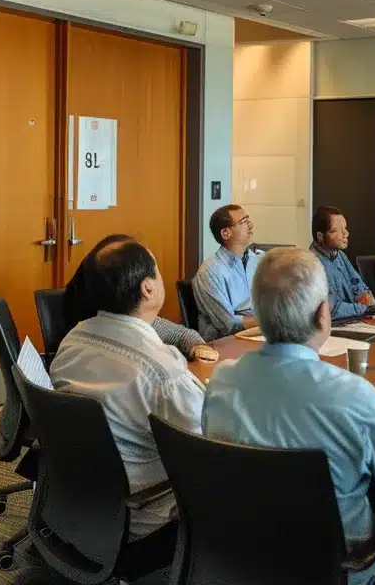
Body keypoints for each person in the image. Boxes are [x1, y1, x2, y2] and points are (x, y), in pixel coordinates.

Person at [203, 248, 375, 585]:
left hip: (242, 560)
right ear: (323, 315)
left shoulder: (221, 382)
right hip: (337, 567)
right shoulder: (350, 394)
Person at [49, 236, 205, 543]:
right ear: (147, 288)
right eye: (158, 271)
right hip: (144, 511)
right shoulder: (162, 371)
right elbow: (206, 451)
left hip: (80, 502)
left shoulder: (72, 341)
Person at [63, 234, 214, 363]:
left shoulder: (73, 341)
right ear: (147, 288)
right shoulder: (157, 365)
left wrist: (198, 347)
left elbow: (181, 335)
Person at [192, 204, 261, 340]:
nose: (250, 225)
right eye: (244, 222)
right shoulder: (210, 272)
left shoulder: (258, 260)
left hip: (258, 334)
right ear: (225, 233)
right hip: (225, 342)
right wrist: (269, 321)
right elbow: (227, 323)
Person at [310, 206, 375, 320]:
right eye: (335, 231)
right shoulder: (314, 263)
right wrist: (365, 309)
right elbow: (332, 310)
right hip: (331, 328)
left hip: (351, 320)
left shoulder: (340, 255)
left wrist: (370, 303)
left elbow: (358, 286)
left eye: (345, 228)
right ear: (320, 236)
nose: (345, 234)